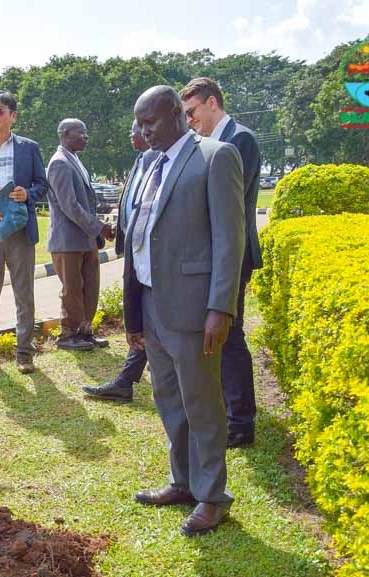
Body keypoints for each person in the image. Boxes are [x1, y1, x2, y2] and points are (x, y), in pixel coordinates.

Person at [126, 85, 245, 537]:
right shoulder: (148, 163)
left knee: (202, 402)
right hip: (153, 302)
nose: (143, 131)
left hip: (195, 308)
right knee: (169, 399)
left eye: (150, 122)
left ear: (178, 114)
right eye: (139, 123)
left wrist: (221, 306)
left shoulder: (216, 157)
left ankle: (213, 496)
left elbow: (228, 239)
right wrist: (134, 306)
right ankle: (183, 482)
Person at [180, 77, 262, 448]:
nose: (190, 120)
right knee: (220, 337)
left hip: (233, 253)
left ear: (212, 103)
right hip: (211, 254)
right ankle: (231, 410)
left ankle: (241, 423)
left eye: (192, 112)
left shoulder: (239, 140)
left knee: (230, 336)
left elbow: (226, 204)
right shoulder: (212, 141)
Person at [83, 120, 158, 401]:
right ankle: (125, 380)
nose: (131, 135)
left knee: (147, 319)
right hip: (134, 250)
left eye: (135, 130)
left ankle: (125, 380)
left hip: (147, 255)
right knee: (145, 320)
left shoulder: (154, 160)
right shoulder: (141, 160)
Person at [0, 91, 48, 376]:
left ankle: (24, 352)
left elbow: (42, 185)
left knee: (24, 295)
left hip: (20, 231)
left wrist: (26, 194)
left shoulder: (29, 148)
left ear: (13, 116)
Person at [46, 118, 116, 352]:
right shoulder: (59, 163)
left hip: (85, 239)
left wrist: (96, 230)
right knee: (73, 289)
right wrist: (99, 227)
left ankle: (85, 331)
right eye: (81, 132)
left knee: (91, 286)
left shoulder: (74, 160)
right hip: (67, 241)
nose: (85, 137)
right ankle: (68, 334)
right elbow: (70, 206)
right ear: (65, 134)